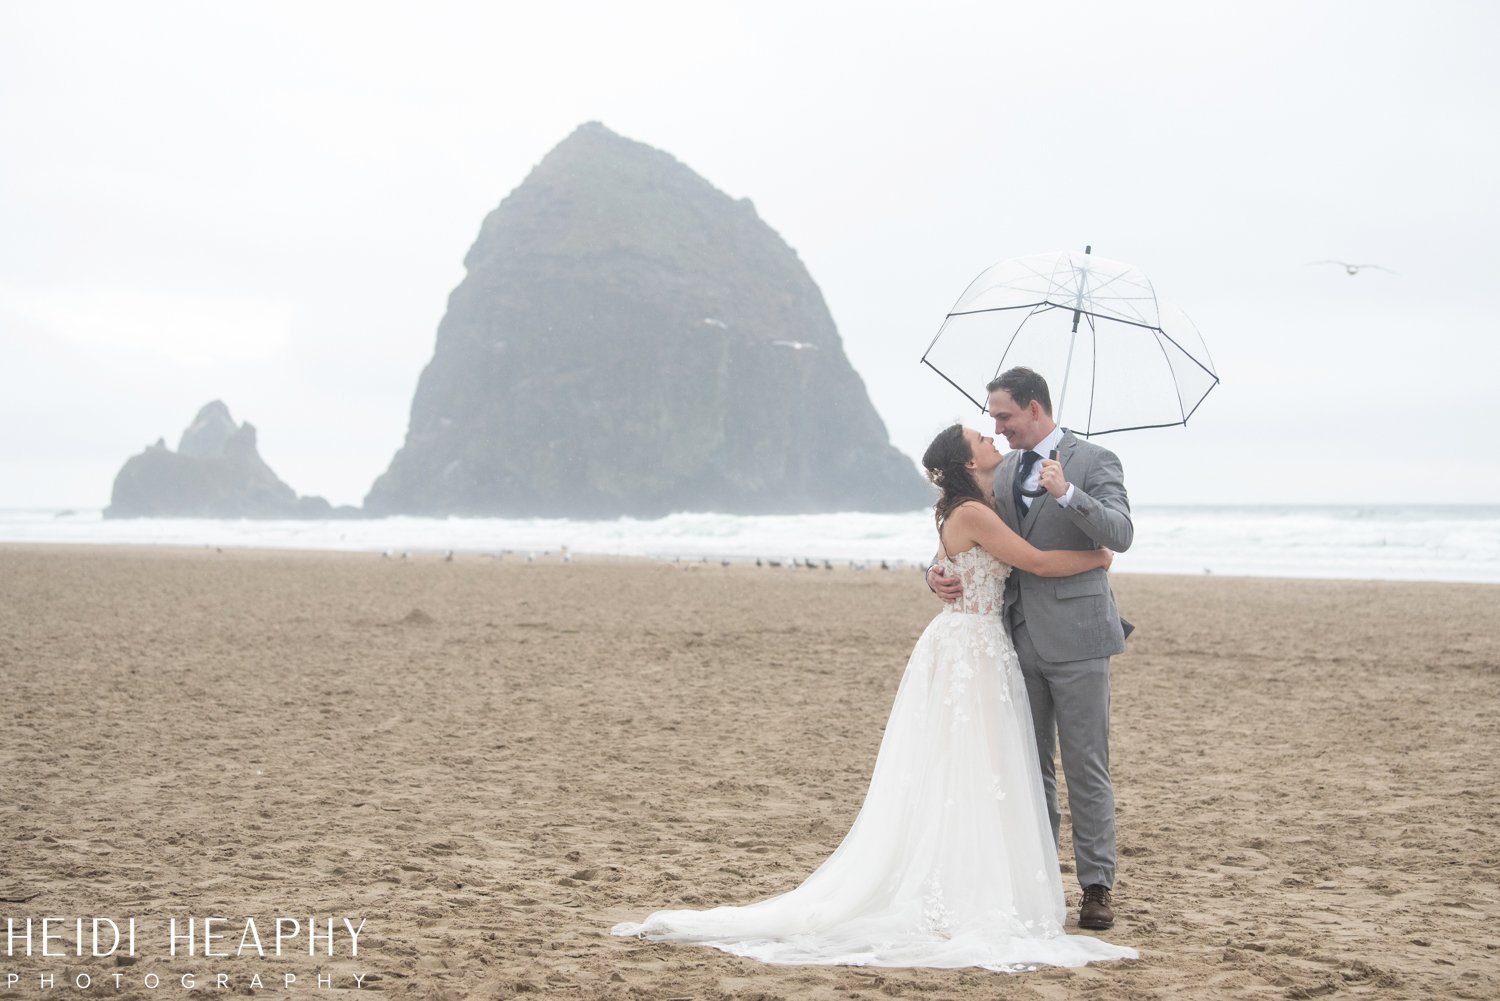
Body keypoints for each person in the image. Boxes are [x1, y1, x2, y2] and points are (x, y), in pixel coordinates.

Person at [610, 423, 1137, 972]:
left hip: (990, 643)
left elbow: (963, 554)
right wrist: (1097, 562)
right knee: (980, 768)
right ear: (965, 461)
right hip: (975, 647)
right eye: (983, 434)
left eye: (995, 423)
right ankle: (980, 887)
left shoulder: (998, 490)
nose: (994, 436)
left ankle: (1037, 882)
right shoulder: (975, 508)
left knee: (994, 768)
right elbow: (1029, 560)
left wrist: (945, 564)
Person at [926, 367, 1133, 931]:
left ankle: (1096, 888)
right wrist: (935, 573)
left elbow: (1120, 534)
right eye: (991, 419)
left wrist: (1068, 493)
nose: (996, 427)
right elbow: (967, 539)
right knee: (1029, 769)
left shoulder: (1094, 461)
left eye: (1003, 416)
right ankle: (1038, 881)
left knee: (1086, 766)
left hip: (1080, 636)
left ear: (1034, 409)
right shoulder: (1002, 468)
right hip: (1013, 639)